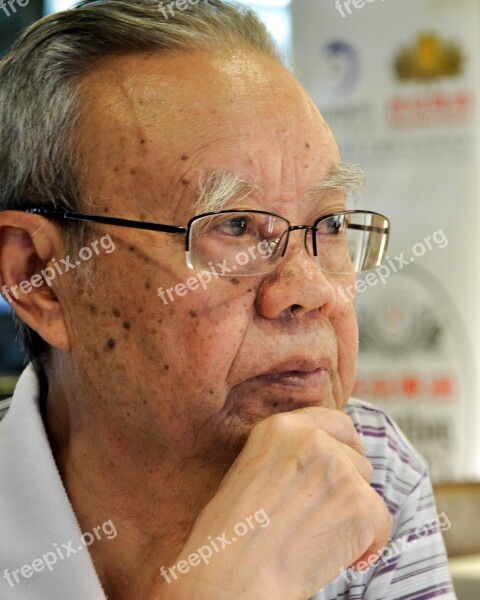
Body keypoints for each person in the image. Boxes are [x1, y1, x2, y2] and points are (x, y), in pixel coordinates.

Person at [0, 1, 455, 598]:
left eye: (331, 225)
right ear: (41, 277)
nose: (311, 290)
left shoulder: (366, 471)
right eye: (235, 226)